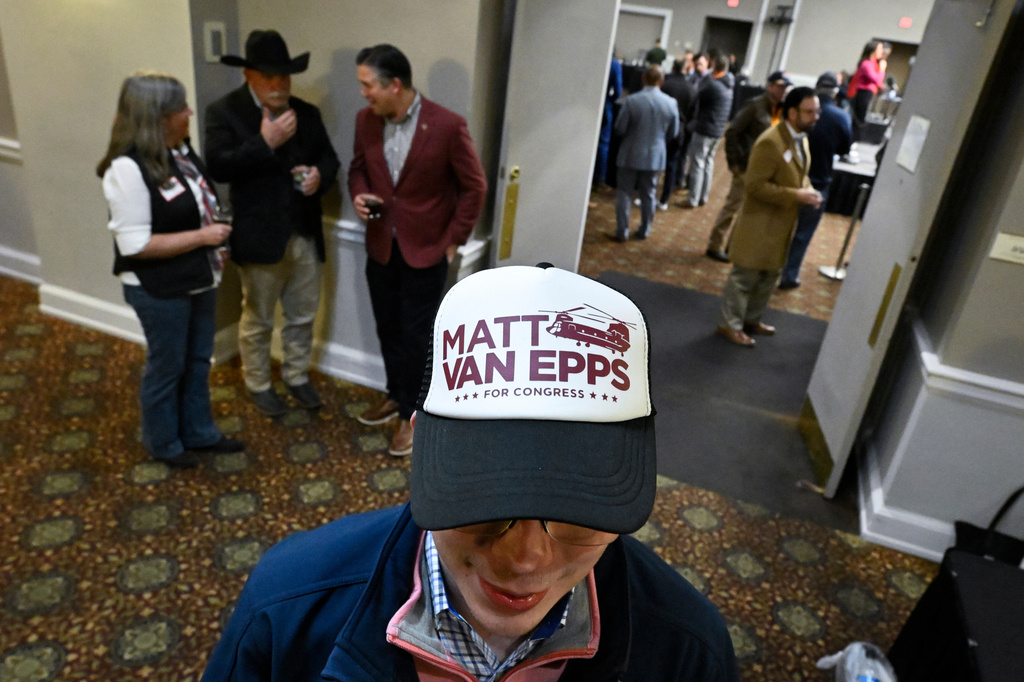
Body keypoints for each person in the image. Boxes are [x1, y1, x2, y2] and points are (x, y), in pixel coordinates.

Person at [201, 264, 740, 682]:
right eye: (488, 503)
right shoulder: (285, 610)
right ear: (419, 448)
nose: (525, 560)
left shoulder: (689, 651)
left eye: (577, 511)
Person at [98, 72, 245, 469]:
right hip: (157, 288)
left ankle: (199, 432)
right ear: (158, 116)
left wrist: (214, 244)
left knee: (198, 359)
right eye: (181, 108)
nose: (189, 113)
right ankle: (163, 442)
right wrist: (204, 238)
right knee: (167, 367)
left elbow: (195, 205)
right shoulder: (126, 170)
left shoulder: (179, 151)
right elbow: (136, 245)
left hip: (198, 278)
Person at [349, 44, 487, 456]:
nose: (363, 94)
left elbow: (474, 187)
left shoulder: (446, 125)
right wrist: (358, 196)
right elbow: (358, 168)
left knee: (418, 339)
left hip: (427, 253)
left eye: (367, 85)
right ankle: (395, 394)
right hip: (380, 248)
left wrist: (453, 242)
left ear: (394, 85)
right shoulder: (365, 121)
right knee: (387, 328)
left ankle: (413, 414)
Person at [205, 30, 340, 416]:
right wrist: (265, 143)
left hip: (304, 233)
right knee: (259, 319)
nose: (279, 84)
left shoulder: (307, 113)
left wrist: (318, 176)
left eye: (285, 76)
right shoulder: (224, 112)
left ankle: (296, 376)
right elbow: (218, 165)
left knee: (302, 315)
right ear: (249, 75)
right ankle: (259, 383)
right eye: (270, 77)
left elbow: (330, 161)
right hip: (259, 236)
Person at [715, 86, 821, 347]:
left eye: (816, 111)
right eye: (810, 112)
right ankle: (730, 325)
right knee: (744, 278)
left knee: (768, 277)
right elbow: (754, 186)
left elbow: (799, 174)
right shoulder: (770, 142)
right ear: (792, 112)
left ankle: (751, 320)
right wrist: (796, 195)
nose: (816, 116)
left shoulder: (801, 139)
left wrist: (807, 189)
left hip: (781, 224)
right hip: (758, 224)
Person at [705, 70, 790, 262]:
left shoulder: (780, 109)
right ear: (770, 86)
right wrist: (734, 161)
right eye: (780, 86)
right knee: (732, 207)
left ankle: (732, 248)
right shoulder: (755, 106)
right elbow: (733, 131)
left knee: (748, 212)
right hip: (745, 166)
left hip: (763, 170)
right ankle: (714, 245)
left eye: (785, 87)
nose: (783, 90)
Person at [779, 72, 852, 290]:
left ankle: (768, 269)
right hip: (819, 182)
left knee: (779, 228)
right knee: (803, 234)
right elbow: (845, 149)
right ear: (835, 92)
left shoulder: (798, 114)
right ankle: (789, 275)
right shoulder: (841, 117)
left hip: (790, 179)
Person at [613, 65, 679, 241]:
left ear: (643, 79)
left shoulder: (632, 100)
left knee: (624, 192)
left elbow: (619, 128)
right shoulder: (671, 103)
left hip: (630, 153)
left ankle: (622, 231)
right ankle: (645, 229)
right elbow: (674, 133)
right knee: (649, 193)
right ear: (661, 81)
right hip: (655, 156)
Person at [685, 55, 733, 208]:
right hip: (717, 130)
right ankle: (703, 197)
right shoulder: (729, 84)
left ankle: (693, 198)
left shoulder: (713, 85)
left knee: (697, 164)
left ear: (713, 67)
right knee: (708, 163)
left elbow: (697, 96)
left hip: (705, 129)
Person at [657, 58, 697, 209]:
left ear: (673, 67)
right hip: (680, 130)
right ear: (686, 69)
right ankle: (664, 200)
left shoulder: (665, 85)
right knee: (672, 164)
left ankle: (649, 195)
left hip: (663, 128)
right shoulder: (691, 89)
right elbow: (694, 113)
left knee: (657, 164)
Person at [593, 54, 623, 190]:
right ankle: (599, 179)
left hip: (586, 104)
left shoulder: (594, 58)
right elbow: (617, 90)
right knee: (603, 143)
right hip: (605, 105)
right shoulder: (614, 64)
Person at [847, 40, 886, 141]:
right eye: (880, 49)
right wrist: (882, 69)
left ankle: (853, 142)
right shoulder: (866, 64)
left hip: (867, 94)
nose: (882, 52)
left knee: (860, 120)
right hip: (861, 94)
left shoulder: (873, 64)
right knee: (858, 121)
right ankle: (850, 143)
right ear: (873, 50)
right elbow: (876, 79)